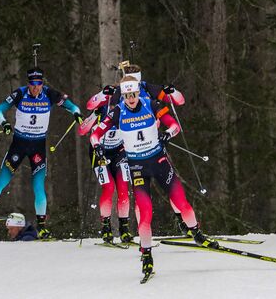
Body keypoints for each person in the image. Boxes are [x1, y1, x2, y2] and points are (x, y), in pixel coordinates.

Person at [90, 76, 217, 276]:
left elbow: (174, 125)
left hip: (158, 162)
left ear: (138, 92)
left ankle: (197, 233)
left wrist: (168, 134)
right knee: (145, 213)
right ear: (123, 95)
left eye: (134, 94)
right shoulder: (116, 112)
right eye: (128, 95)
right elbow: (95, 134)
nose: (132, 99)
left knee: (182, 203)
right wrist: (97, 147)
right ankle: (147, 255)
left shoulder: (151, 104)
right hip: (138, 167)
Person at [0, 67, 83, 239]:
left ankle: (42, 226)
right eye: (32, 84)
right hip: (19, 145)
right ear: (28, 83)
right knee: (3, 180)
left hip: (38, 146)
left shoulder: (50, 94)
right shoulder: (19, 94)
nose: (36, 88)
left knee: (38, 187)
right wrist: (5, 124)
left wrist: (76, 113)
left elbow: (73, 106)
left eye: (39, 84)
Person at [85, 64, 189, 234]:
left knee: (169, 183)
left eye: (137, 84)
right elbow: (91, 105)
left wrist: (173, 91)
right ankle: (137, 231)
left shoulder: (148, 88)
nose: (133, 93)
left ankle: (183, 221)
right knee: (136, 192)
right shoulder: (119, 92)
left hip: (153, 145)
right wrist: (101, 95)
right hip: (130, 149)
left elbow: (179, 100)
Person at [78, 104, 133, 244]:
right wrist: (94, 114)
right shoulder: (102, 110)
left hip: (119, 151)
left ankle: (124, 229)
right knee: (108, 188)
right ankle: (106, 227)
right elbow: (82, 130)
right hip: (99, 152)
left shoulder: (127, 110)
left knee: (123, 189)